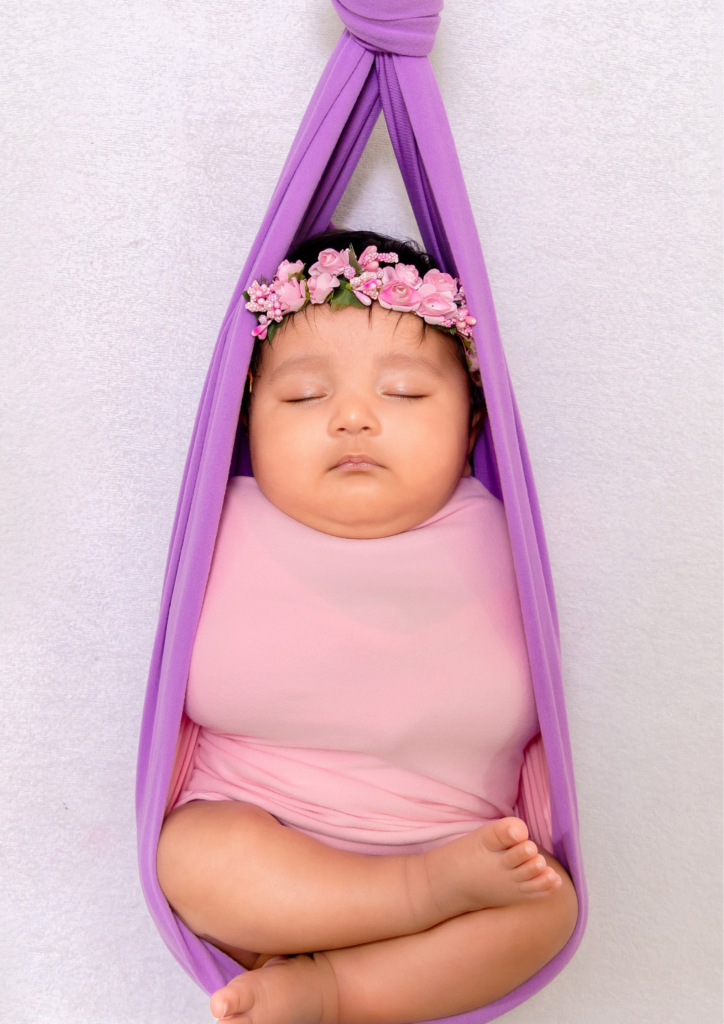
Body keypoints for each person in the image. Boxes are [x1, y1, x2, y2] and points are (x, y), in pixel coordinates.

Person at [156, 231, 578, 1024]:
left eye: (406, 395)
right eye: (304, 396)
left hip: (455, 843)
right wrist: (425, 887)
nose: (353, 418)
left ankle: (335, 990)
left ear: (473, 423)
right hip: (267, 840)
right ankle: (394, 912)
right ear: (245, 420)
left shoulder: (506, 533)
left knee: (549, 914)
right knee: (190, 856)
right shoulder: (221, 522)